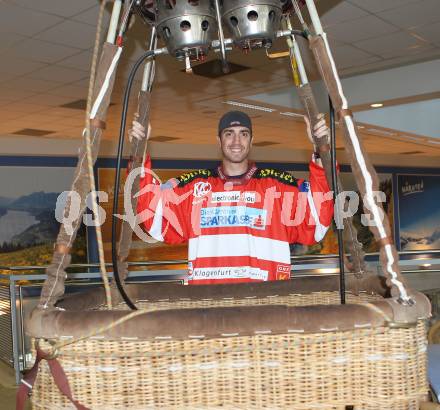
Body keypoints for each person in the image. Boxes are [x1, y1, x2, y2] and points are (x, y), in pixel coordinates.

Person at [131, 110, 334, 284]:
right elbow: (154, 216)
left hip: (267, 307)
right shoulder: (194, 188)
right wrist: (139, 150)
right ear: (219, 141)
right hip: (210, 307)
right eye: (229, 134)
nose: (236, 141)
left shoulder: (277, 186)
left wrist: (320, 150)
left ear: (251, 140)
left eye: (243, 134)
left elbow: (316, 221)